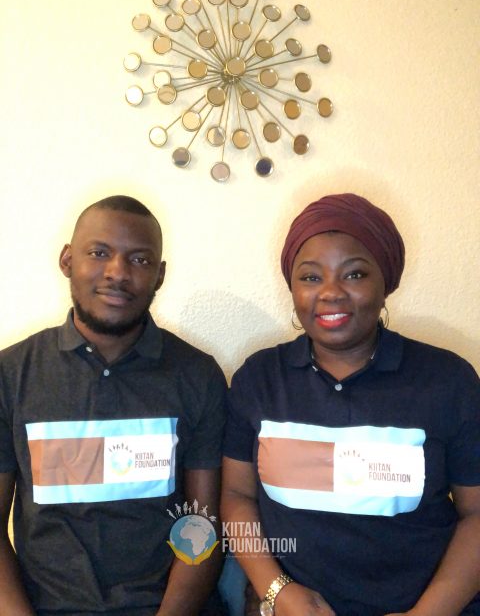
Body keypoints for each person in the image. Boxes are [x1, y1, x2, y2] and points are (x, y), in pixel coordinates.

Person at [221, 193, 480, 616]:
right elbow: (235, 495)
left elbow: (476, 515)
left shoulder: (447, 381)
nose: (330, 293)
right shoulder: (260, 380)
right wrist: (277, 591)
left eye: (354, 274)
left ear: (385, 284)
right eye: (311, 277)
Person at [0, 195, 226, 616]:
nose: (118, 273)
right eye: (99, 253)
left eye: (139, 260)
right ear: (67, 260)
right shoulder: (11, 375)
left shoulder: (198, 376)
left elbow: (203, 524)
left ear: (159, 275)